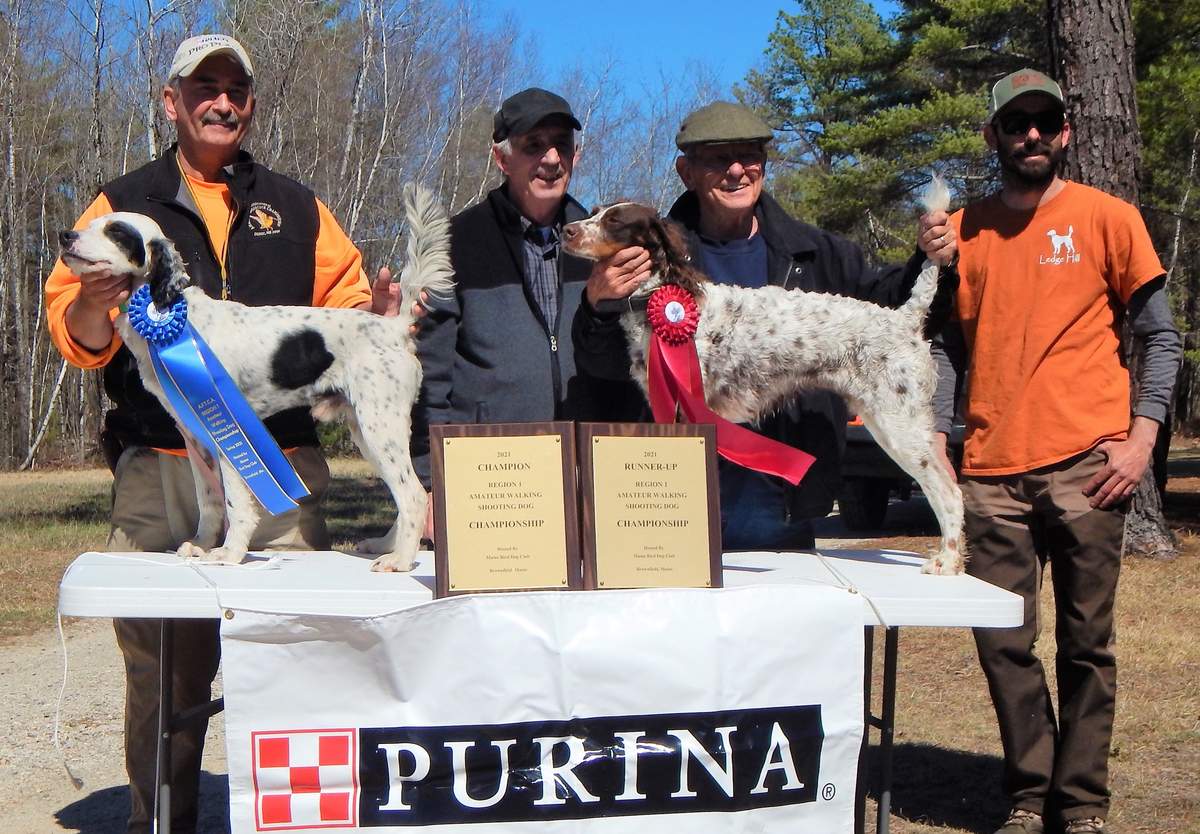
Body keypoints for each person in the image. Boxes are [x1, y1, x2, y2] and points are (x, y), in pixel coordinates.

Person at [45, 34, 397, 834]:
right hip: (157, 468)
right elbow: (74, 333)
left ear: (249, 103)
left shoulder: (296, 203)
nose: (222, 101)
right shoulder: (118, 204)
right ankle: (161, 820)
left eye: (235, 87)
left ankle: (303, 817)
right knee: (162, 674)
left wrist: (373, 320)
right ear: (171, 102)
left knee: (299, 652)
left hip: (279, 466)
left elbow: (343, 303)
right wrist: (100, 301)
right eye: (204, 86)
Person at [929, 69, 1182, 834]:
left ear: (1065, 131)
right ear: (994, 136)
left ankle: (1080, 806)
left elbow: (1160, 335)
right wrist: (940, 439)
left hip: (1088, 468)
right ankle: (1029, 792)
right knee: (1002, 646)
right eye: (1016, 124)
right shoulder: (962, 231)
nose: (1031, 135)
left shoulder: (1109, 218)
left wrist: (1141, 440)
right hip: (992, 475)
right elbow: (943, 344)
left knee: (1086, 646)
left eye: (1045, 122)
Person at [573, 100, 956, 550]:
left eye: (749, 156)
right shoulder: (646, 251)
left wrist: (931, 259)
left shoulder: (819, 251)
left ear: (763, 165)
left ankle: (952, 536)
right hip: (668, 501)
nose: (736, 170)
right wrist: (597, 304)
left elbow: (890, 311)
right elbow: (602, 366)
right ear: (686, 171)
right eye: (718, 158)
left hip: (776, 501)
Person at [412, 87, 644, 503]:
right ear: (502, 159)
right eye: (533, 146)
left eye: (562, 145)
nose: (551, 159)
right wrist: (428, 483)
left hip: (590, 475)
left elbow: (633, 367)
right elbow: (430, 376)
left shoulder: (610, 244)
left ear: (576, 154)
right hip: (490, 482)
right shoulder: (452, 242)